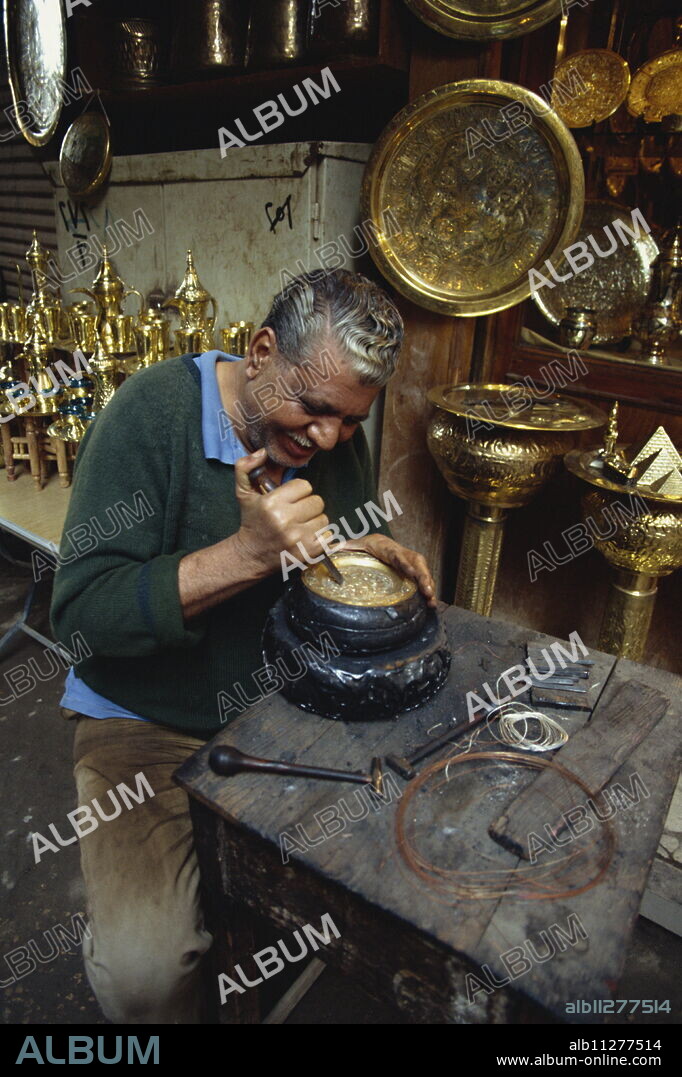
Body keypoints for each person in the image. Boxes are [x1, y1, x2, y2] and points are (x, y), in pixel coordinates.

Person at [50, 268, 436, 1023]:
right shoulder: (148, 416)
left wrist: (365, 553)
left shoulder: (329, 432)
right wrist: (247, 555)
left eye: (351, 421)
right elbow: (82, 619)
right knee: (147, 975)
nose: (327, 437)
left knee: (400, 856)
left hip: (278, 710)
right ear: (260, 351)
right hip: (142, 720)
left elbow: (326, 541)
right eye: (315, 407)